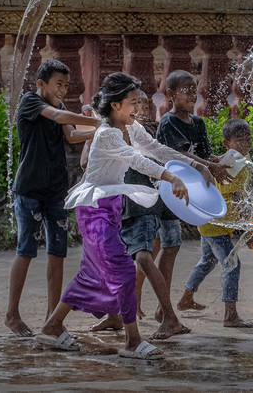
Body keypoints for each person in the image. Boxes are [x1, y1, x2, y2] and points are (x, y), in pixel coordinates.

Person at [37, 72, 214, 359]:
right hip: (94, 210)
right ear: (116, 105)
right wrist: (171, 177)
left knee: (90, 273)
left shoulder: (130, 128)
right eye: (133, 102)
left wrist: (197, 165)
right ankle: (132, 341)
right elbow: (137, 160)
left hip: (110, 209)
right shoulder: (106, 133)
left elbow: (156, 149)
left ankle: (53, 326)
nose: (138, 108)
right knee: (122, 270)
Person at [85, 89, 191, 339]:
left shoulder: (137, 131)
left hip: (142, 206)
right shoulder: (112, 133)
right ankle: (115, 315)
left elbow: (148, 158)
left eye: (141, 106)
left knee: (143, 259)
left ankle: (169, 317)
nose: (139, 112)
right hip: (119, 207)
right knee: (113, 260)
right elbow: (88, 165)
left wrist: (191, 168)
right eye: (134, 106)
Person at [6, 60, 100, 337]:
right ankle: (12, 314)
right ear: (41, 84)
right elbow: (61, 119)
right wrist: (96, 120)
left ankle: (52, 318)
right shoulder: (30, 102)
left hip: (56, 190)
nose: (63, 90)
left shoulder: (59, 108)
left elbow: (70, 135)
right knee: (26, 250)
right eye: (58, 84)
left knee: (57, 252)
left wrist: (103, 131)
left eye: (66, 85)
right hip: (30, 189)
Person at [155, 70, 232, 323]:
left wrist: (225, 161)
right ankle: (158, 307)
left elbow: (205, 155)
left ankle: (162, 308)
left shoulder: (197, 123)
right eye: (186, 90)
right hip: (166, 191)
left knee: (168, 248)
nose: (192, 94)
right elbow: (179, 156)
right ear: (170, 94)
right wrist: (206, 167)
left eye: (194, 89)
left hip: (187, 194)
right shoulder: (168, 122)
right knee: (160, 248)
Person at [177, 118, 253, 328]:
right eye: (239, 140)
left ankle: (186, 298)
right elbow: (238, 195)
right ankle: (230, 315)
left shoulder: (234, 158)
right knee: (232, 264)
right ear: (227, 143)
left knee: (208, 260)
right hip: (217, 224)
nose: (245, 143)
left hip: (212, 221)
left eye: (248, 138)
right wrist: (249, 221)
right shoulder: (235, 162)